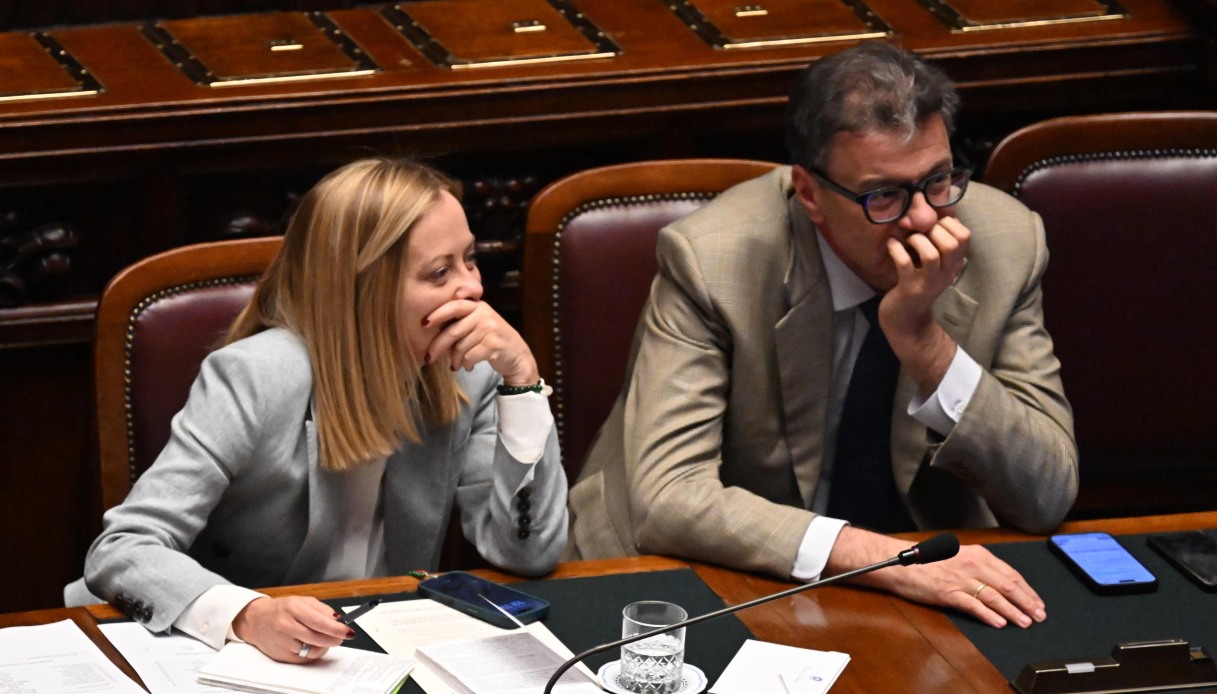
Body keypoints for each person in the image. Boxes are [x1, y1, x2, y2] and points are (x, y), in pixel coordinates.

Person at [567, 42, 1078, 629]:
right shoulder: (713, 261)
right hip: (696, 573)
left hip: (918, 585)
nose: (923, 218)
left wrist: (925, 344)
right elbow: (670, 498)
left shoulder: (1005, 243)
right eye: (884, 194)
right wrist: (883, 559)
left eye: (938, 180)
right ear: (810, 194)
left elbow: (1046, 493)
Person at [65, 158, 568, 660]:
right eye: (440, 272)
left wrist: (522, 380)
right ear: (363, 288)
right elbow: (124, 548)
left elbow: (528, 552)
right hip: (233, 656)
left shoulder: (469, 373)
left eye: (470, 260)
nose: (473, 288)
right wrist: (247, 614)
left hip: (379, 650)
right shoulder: (254, 378)